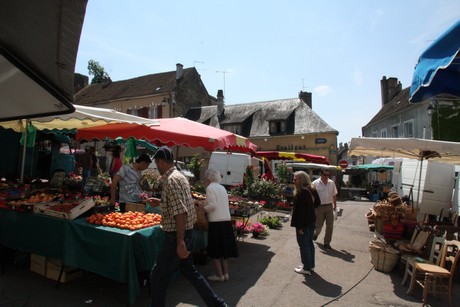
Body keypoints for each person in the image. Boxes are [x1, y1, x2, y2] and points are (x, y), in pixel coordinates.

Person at [148, 146, 227, 307]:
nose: (156, 166)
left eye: (156, 163)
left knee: (157, 276)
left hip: (176, 235)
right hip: (188, 232)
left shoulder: (171, 180)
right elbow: (180, 205)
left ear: (161, 162)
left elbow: (180, 213)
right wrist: (161, 203)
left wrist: (180, 241)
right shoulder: (180, 176)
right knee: (189, 271)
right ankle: (217, 304)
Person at [203, 168, 238, 282]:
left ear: (208, 177)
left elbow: (212, 205)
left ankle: (219, 275)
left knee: (215, 250)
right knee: (223, 250)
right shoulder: (222, 187)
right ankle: (226, 273)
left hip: (216, 222)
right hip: (226, 220)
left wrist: (202, 209)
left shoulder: (210, 188)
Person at [291, 171, 320, 276]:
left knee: (304, 244)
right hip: (310, 221)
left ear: (302, 179)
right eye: (294, 179)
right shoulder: (309, 190)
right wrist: (311, 209)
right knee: (309, 244)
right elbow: (317, 203)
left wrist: (300, 227)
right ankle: (310, 265)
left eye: (296, 179)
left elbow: (301, 212)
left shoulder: (302, 192)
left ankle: (307, 267)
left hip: (305, 223)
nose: (294, 181)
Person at [312, 168, 338, 250]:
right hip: (319, 207)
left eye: (328, 175)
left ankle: (327, 243)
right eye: (325, 175)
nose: (327, 176)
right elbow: (312, 196)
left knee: (330, 225)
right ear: (321, 174)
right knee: (319, 225)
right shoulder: (315, 183)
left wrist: (335, 206)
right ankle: (316, 234)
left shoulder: (331, 183)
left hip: (329, 206)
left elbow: (334, 195)